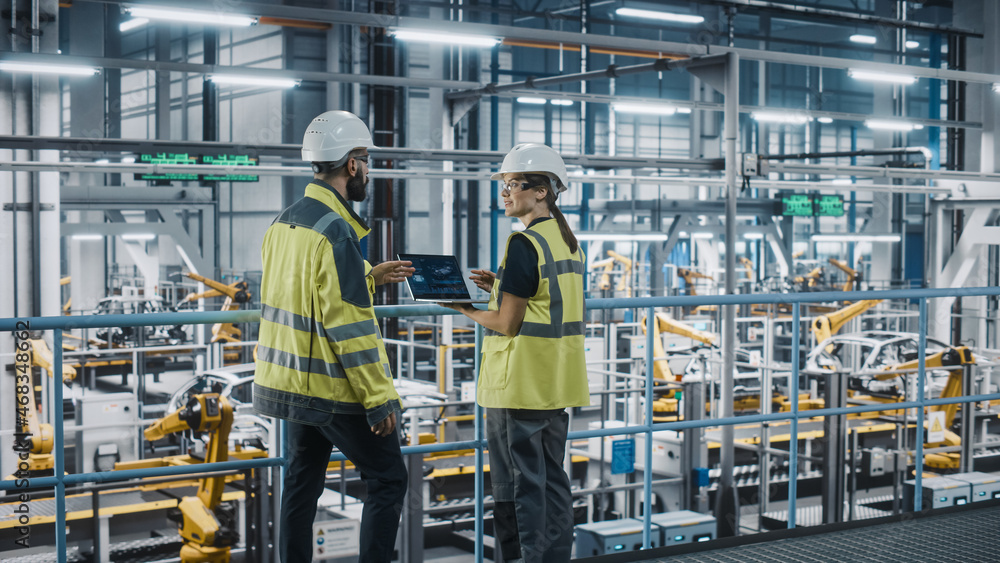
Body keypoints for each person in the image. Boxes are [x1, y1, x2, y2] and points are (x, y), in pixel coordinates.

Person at [253, 110, 415, 563]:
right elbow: (351, 327)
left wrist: (367, 276)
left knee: (302, 482)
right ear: (352, 165)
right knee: (388, 478)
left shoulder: (284, 222)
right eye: (366, 161)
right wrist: (380, 399)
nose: (367, 171)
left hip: (288, 381)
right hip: (330, 386)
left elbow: (305, 289)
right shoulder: (338, 233)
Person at [442, 143, 590, 563]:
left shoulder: (523, 243)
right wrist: (502, 286)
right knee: (551, 480)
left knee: (516, 488)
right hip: (555, 383)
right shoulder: (567, 243)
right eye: (504, 186)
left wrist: (466, 308)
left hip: (518, 386)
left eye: (513, 185)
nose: (505, 194)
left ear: (541, 191)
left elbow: (508, 324)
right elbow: (547, 301)